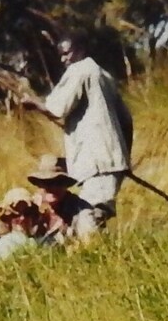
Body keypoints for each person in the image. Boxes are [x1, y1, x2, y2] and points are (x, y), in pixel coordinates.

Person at [22, 35, 133, 226]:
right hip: (111, 160)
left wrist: (34, 104)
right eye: (61, 56)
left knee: (90, 213)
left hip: (96, 160)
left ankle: (92, 253)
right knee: (97, 211)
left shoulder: (80, 69)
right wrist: (122, 159)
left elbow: (57, 109)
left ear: (81, 49)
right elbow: (126, 121)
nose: (64, 59)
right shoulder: (105, 76)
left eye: (67, 53)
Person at [27, 154, 99, 244]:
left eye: (58, 183)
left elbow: (91, 245)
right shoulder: (31, 205)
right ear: (39, 185)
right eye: (47, 182)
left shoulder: (82, 212)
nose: (52, 188)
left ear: (66, 185)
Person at [0, 187, 45, 264]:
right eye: (15, 214)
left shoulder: (42, 241)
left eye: (27, 213)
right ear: (6, 217)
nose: (22, 218)